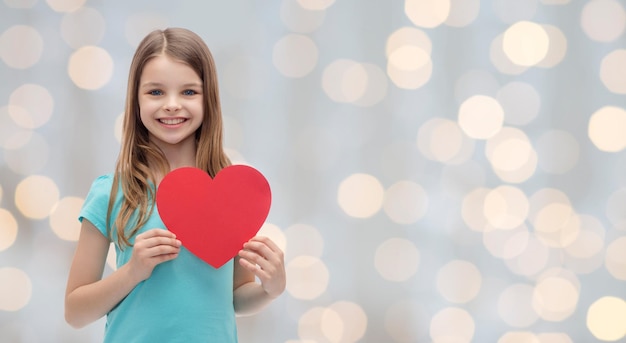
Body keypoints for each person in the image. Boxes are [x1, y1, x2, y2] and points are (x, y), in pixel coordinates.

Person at [64, 27, 286, 342]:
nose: (171, 104)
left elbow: (234, 298)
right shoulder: (111, 192)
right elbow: (75, 312)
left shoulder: (232, 194)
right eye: (155, 92)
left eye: (188, 92)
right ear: (136, 98)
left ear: (208, 99)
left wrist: (270, 289)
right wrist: (132, 272)